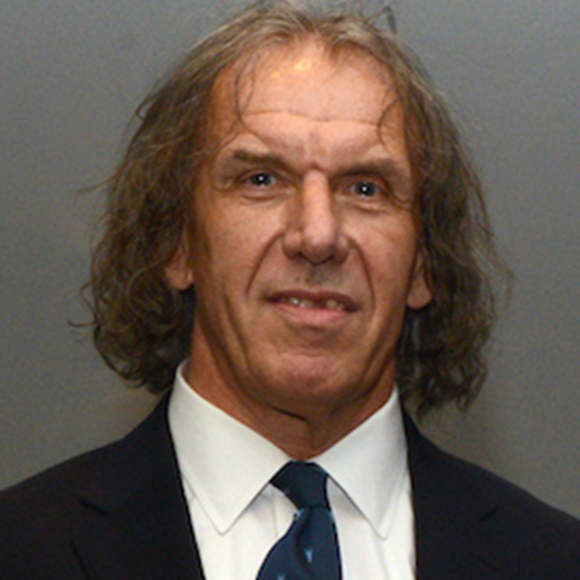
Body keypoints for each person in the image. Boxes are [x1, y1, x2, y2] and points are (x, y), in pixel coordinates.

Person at [1, 1, 579, 578]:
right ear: (176, 242)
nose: (318, 235)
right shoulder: (22, 549)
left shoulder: (552, 559)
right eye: (261, 179)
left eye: (366, 188)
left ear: (424, 262)